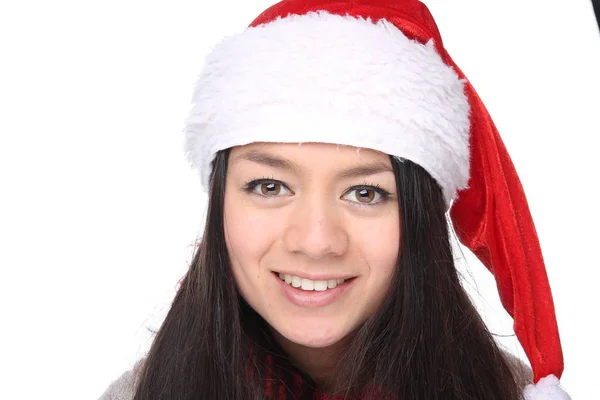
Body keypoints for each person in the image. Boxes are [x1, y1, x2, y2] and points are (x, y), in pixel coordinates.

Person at [100, 0, 570, 399]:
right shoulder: (145, 391)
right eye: (270, 186)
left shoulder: (501, 390)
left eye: (365, 192)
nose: (316, 241)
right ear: (220, 203)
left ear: (421, 215)